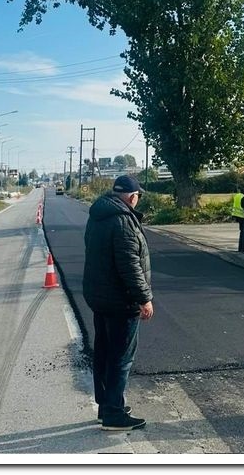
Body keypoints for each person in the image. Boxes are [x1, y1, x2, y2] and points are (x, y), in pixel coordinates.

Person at [83, 174, 154, 431]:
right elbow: (130, 265)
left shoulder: (97, 216)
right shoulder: (123, 221)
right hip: (121, 301)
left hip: (100, 297)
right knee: (121, 357)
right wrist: (144, 298)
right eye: (138, 196)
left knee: (103, 352)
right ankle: (113, 414)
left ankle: (107, 405)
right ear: (133, 196)